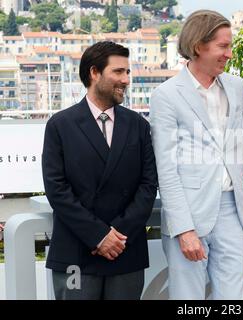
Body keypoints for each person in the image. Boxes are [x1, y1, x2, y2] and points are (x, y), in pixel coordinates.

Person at [42, 41, 158, 300]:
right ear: (94, 72)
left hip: (125, 250)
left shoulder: (138, 125)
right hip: (76, 252)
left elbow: (148, 186)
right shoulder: (60, 125)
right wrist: (98, 236)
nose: (126, 80)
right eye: (118, 72)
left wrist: (116, 237)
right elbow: (57, 190)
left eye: (127, 72)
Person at [149, 10, 243, 300]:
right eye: (223, 46)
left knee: (235, 299)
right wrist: (184, 229)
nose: (229, 54)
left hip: (232, 207)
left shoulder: (236, 86)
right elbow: (166, 168)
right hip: (189, 213)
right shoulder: (166, 95)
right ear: (198, 46)